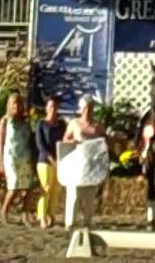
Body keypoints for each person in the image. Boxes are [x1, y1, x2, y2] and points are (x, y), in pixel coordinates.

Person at [62, 94, 105, 229]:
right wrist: (72, 141)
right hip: (77, 163)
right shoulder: (74, 124)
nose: (89, 110)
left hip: (91, 164)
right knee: (73, 193)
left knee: (89, 196)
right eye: (87, 107)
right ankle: (70, 222)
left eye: (91, 107)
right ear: (82, 108)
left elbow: (103, 141)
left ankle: (87, 222)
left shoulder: (97, 126)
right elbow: (65, 140)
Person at [0, 92, 37, 226]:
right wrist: (1, 161)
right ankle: (4, 210)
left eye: (19, 103)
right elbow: (1, 142)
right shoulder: (5, 121)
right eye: (14, 104)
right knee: (14, 186)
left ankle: (25, 213)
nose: (17, 107)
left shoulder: (25, 122)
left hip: (25, 156)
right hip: (11, 156)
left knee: (28, 187)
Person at [34, 97, 67, 229]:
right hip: (45, 160)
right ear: (47, 108)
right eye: (51, 106)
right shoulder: (41, 124)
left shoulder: (61, 124)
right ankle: (41, 215)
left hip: (59, 160)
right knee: (46, 187)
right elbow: (40, 144)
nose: (53, 109)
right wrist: (51, 158)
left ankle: (51, 215)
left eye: (55, 106)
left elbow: (64, 141)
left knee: (55, 190)